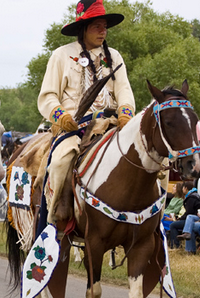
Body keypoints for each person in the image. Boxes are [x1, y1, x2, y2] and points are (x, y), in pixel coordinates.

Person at [37, 0, 135, 224]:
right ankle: (54, 221)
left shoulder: (115, 57)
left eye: (105, 27)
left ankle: (149, 228)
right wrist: (61, 117)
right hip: (75, 128)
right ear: (84, 28)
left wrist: (125, 113)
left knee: (146, 156)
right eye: (97, 26)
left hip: (111, 125)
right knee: (62, 161)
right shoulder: (61, 56)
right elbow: (48, 95)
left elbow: (124, 91)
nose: (103, 31)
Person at [169, 181, 200, 249]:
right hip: (195, 218)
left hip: (192, 220)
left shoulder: (191, 198)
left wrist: (179, 218)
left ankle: (175, 246)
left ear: (186, 188)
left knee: (173, 225)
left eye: (183, 188)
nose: (182, 190)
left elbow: (189, 213)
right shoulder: (195, 195)